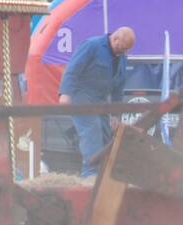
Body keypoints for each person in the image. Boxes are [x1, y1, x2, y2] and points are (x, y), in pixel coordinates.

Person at [58, 27, 135, 178]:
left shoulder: (122, 58)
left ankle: (104, 175)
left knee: (106, 134)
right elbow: (73, 69)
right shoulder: (92, 46)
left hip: (100, 100)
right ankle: (90, 176)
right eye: (123, 48)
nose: (125, 53)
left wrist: (115, 115)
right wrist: (65, 93)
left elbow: (118, 88)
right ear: (115, 39)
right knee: (91, 131)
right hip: (81, 96)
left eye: (127, 50)